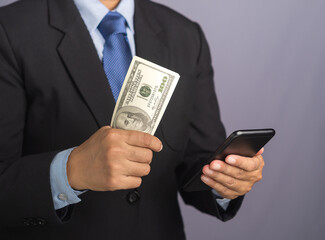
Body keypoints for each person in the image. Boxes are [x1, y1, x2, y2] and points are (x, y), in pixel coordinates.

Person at [0, 0, 265, 239]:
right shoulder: (10, 29)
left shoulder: (185, 35)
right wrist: (71, 171)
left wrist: (225, 179)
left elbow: (197, 161)